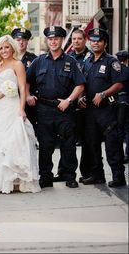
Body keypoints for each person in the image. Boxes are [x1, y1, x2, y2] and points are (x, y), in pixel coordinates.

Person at [0, 35, 41, 194]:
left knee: (14, 142)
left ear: (12, 48)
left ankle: (15, 181)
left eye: (7, 47)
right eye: (1, 48)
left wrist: (22, 109)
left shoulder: (18, 64)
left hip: (13, 107)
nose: (4, 50)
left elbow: (22, 88)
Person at [26, 26, 85, 189]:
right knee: (45, 145)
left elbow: (80, 85)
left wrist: (69, 100)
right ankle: (45, 177)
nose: (53, 41)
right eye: (50, 39)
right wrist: (27, 95)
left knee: (68, 144)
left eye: (57, 38)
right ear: (47, 41)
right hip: (44, 109)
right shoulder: (39, 61)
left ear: (61, 40)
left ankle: (70, 176)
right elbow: (26, 80)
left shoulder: (71, 61)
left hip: (64, 109)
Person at [79, 28, 126, 187]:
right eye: (93, 40)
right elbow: (83, 84)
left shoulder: (112, 62)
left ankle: (118, 177)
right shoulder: (87, 61)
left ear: (105, 43)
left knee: (112, 145)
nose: (95, 43)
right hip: (90, 110)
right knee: (92, 144)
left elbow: (119, 84)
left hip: (107, 109)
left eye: (99, 40)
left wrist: (103, 94)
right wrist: (81, 97)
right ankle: (97, 175)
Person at [54, 29, 91, 182]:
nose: (76, 41)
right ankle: (63, 172)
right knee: (66, 140)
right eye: (74, 39)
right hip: (69, 106)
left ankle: (87, 172)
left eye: (79, 39)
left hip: (87, 106)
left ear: (85, 40)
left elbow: (92, 82)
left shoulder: (91, 57)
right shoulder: (68, 58)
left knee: (87, 141)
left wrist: (85, 97)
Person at [11, 27, 37, 129]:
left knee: (28, 130)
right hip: (11, 101)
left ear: (27, 42)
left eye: (24, 40)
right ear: (13, 41)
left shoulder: (34, 59)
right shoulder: (7, 57)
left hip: (28, 102)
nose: (21, 42)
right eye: (18, 40)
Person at [115, 50, 129, 164]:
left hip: (117, 101)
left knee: (118, 129)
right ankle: (127, 154)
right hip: (127, 101)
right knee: (127, 129)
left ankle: (118, 154)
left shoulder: (115, 71)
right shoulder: (127, 70)